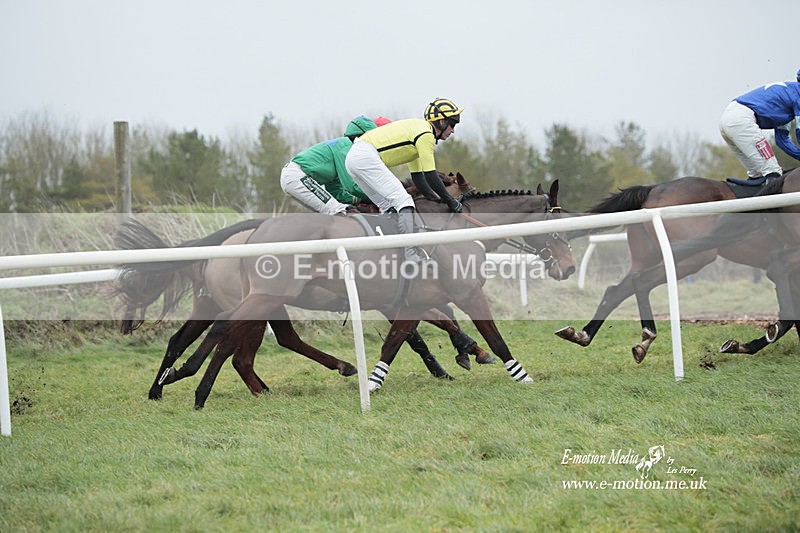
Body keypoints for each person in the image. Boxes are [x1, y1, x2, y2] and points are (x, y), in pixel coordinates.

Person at [345, 98, 464, 262]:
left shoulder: (418, 133)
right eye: (453, 125)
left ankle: (390, 251)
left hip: (353, 159)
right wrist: (450, 201)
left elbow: (419, 179)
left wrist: (434, 198)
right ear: (442, 121)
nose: (453, 131)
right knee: (404, 201)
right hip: (365, 156)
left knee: (390, 207)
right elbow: (431, 175)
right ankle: (410, 253)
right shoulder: (426, 135)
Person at [279, 116, 379, 216]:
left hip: (294, 176)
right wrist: (377, 197)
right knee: (341, 211)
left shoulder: (340, 150)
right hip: (298, 176)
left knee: (330, 212)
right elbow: (352, 186)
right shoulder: (347, 147)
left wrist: (358, 200)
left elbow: (335, 192)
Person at [719, 80, 800, 183]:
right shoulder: (797, 94)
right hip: (741, 120)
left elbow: (782, 140)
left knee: (757, 174)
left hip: (729, 119)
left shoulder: (788, 99)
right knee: (773, 171)